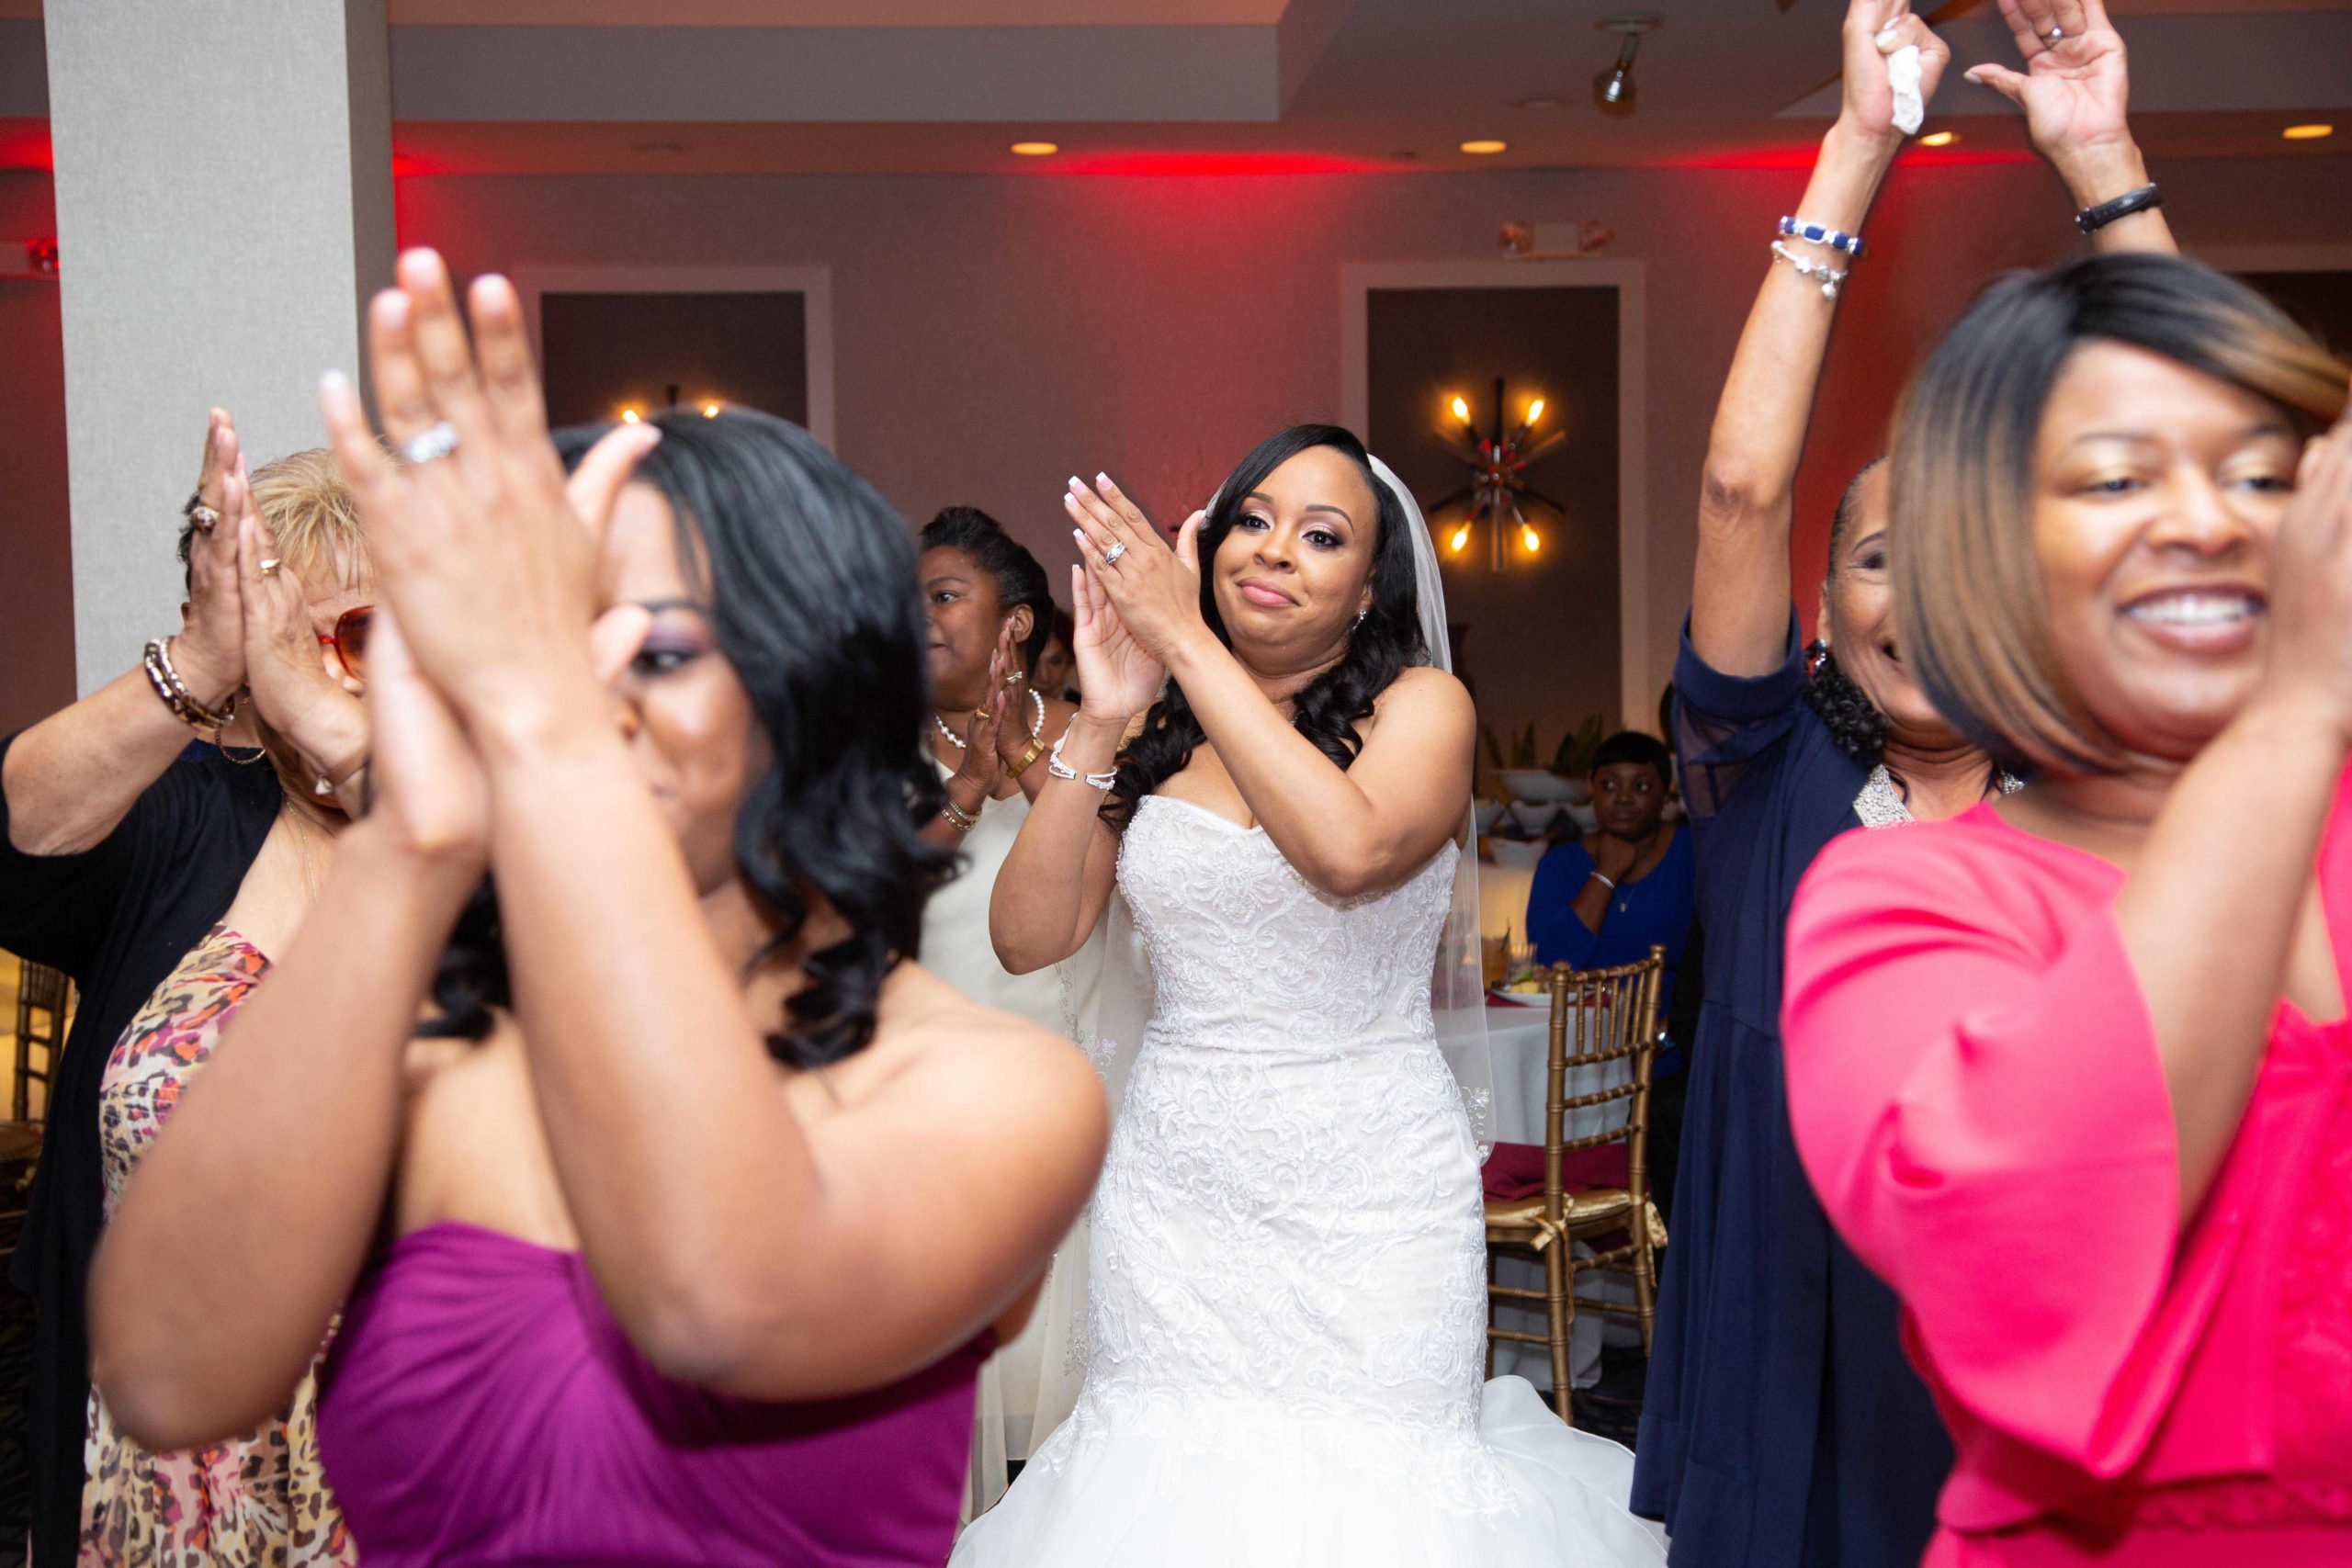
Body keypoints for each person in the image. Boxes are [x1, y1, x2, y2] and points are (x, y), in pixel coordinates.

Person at [86, 251, 1108, 1568]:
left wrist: (554, 741)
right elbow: (168, 1373)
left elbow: (711, 1299)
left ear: (820, 697)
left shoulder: (1000, 1090)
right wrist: (411, 839)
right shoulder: (449, 1050)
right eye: (557, 642)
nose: (579, 691)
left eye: (658, 648)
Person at [1628, 0, 2177, 1562]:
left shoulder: (2106, 788)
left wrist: (2105, 165)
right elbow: (1741, 487)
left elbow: (2231, 506)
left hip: (2052, 1382)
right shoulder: (1764, 784)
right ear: (1826, 603)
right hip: (1797, 1397)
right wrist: (1858, 149)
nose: (1920, 594)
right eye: (1880, 557)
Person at [948, 426, 1666, 1565]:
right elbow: (1029, 935)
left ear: (1368, 586)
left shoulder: (1424, 709)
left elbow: (1347, 852)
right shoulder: (1150, 728)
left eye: (1320, 535)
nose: (1274, 550)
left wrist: (1182, 639)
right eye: (1252, 520)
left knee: (1377, 1499)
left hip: (1371, 1189)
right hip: (1179, 1188)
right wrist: (1100, 712)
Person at [1784, 253, 2350, 1564]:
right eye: (2118, 478)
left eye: (2263, 476)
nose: (2208, 519)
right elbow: (2016, 1235)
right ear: (1988, 550)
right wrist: (2289, 715)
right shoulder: (1905, 896)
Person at [1, 412, 370, 1568]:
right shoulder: (187, 814)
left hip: (404, 1463)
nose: (328, 675)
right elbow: (25, 830)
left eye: (361, 634)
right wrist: (201, 666)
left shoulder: (471, 838)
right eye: (291, 644)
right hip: (157, 1489)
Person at [914, 505, 1096, 1513]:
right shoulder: (871, 748)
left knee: (1065, 1426)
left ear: (1015, 623)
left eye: (943, 597)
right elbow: (864, 905)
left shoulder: (1092, 733)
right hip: (931, 1105)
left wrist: (1020, 761)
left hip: (1063, 1080)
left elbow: (1090, 891)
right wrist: (968, 785)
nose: (919, 619)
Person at [1524, 730, 1693, 997]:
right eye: (1609, 786)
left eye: (1641, 787)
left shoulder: (1692, 853)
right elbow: (1549, 964)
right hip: (1579, 1027)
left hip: (1671, 1026)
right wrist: (1606, 874)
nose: (1623, 798)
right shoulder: (1559, 864)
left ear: (1665, 794)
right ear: (1592, 790)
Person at [1034, 604, 1080, 704]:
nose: (1044, 677)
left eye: (1055, 662)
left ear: (1070, 661)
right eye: (1033, 662)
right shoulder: (999, 714)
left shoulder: (1089, 712)